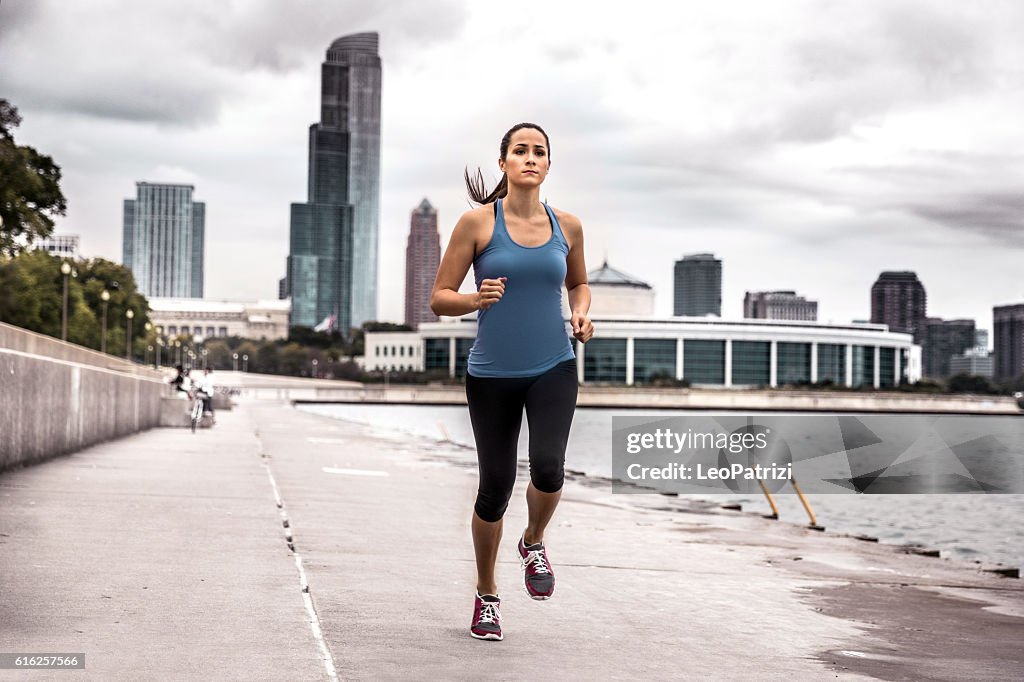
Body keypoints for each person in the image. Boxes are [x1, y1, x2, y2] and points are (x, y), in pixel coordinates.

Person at [430, 122, 594, 641]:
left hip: (553, 365)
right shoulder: (477, 223)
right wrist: (473, 299)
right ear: (503, 163)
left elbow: (579, 282)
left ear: (548, 164)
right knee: (495, 488)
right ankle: (486, 595)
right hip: (491, 375)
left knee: (548, 469)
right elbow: (439, 297)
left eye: (539, 151)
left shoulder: (568, 225)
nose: (530, 158)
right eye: (519, 151)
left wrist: (582, 313)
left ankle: (534, 540)